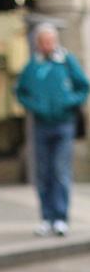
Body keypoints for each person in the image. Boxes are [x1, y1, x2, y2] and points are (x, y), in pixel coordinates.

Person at [15, 22, 89, 236]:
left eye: (50, 41)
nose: (48, 45)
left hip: (64, 123)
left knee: (60, 170)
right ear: (38, 43)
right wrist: (34, 106)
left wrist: (70, 101)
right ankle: (46, 217)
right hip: (41, 125)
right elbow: (21, 91)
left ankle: (61, 217)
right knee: (43, 172)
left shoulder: (66, 62)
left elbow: (84, 86)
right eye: (44, 41)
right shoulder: (33, 66)